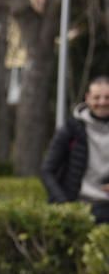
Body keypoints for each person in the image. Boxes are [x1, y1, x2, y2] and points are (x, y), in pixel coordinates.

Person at [41, 76, 109, 224]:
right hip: (77, 207)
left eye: (107, 97)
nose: (102, 102)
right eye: (97, 97)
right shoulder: (71, 129)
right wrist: (64, 205)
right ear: (88, 98)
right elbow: (47, 171)